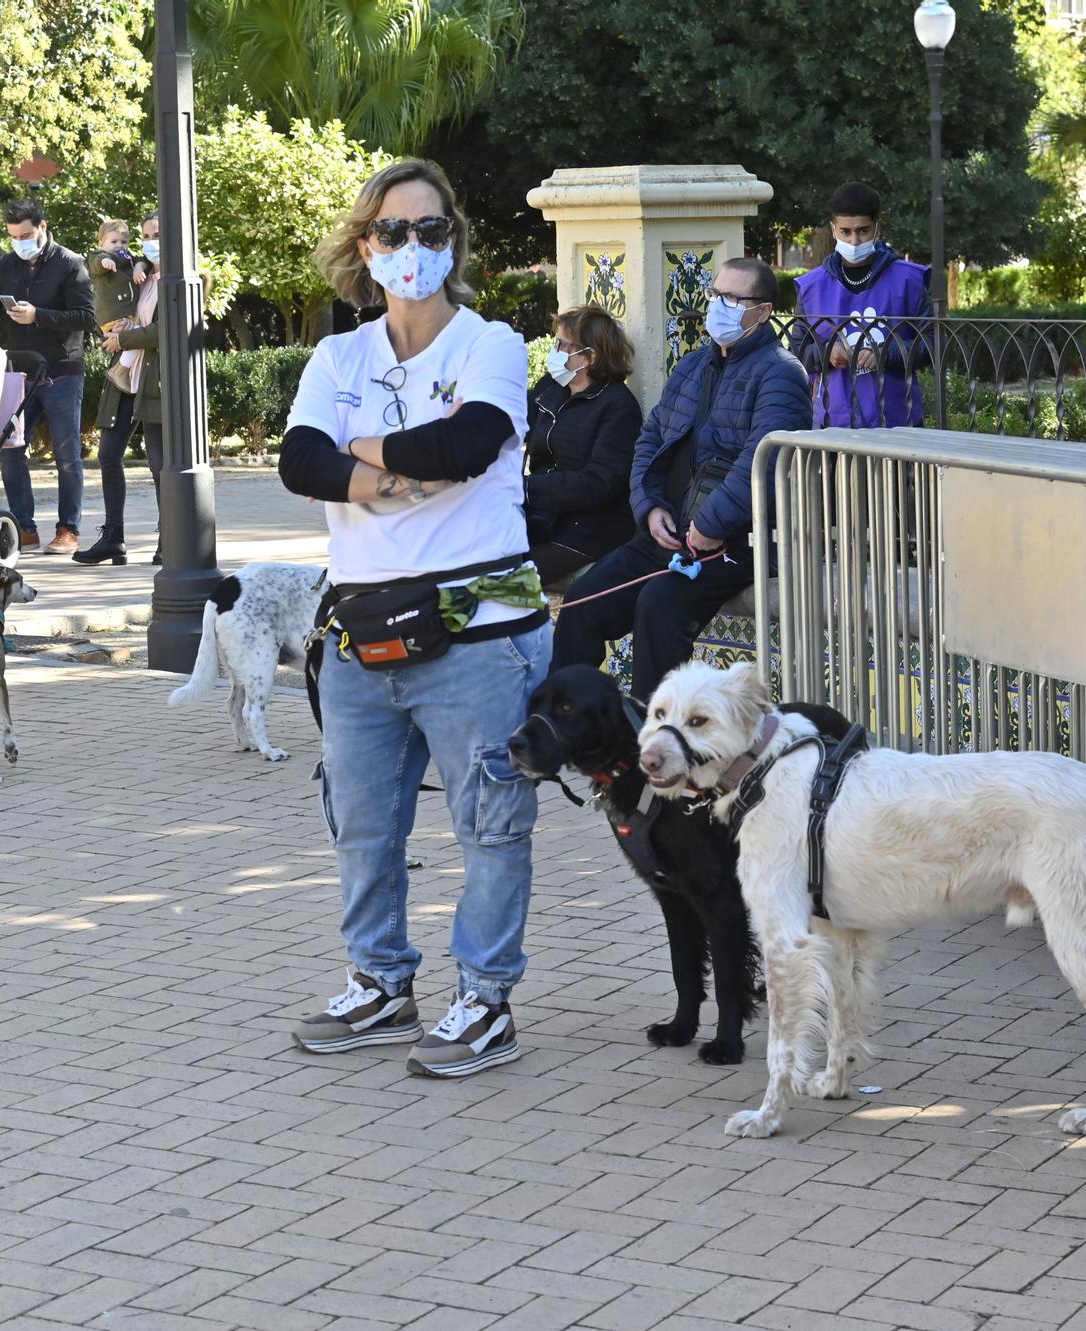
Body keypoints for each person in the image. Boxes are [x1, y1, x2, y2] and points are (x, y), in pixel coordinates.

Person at [277, 159, 548, 1079]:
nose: (412, 248)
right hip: (361, 629)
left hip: (478, 630)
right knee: (359, 820)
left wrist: (360, 455)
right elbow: (299, 463)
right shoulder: (337, 356)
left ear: (454, 241)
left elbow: (469, 444)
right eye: (392, 232)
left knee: (490, 824)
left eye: (431, 231)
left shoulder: (491, 344)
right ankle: (382, 983)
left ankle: (486, 1001)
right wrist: (406, 473)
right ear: (366, 245)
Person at [550, 258, 811, 700]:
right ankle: (564, 726)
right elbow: (649, 440)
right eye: (715, 296)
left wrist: (710, 526)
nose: (719, 307)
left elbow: (761, 463)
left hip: (733, 543)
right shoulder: (692, 366)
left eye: (733, 299)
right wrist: (648, 508)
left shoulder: (781, 373)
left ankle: (656, 745)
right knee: (583, 601)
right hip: (664, 532)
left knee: (660, 605)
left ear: (763, 312)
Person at [0, 199, 96, 554]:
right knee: (10, 447)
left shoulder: (70, 264)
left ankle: (69, 529)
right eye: (13, 236)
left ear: (43, 227)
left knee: (67, 455)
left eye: (26, 235)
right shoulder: (7, 265)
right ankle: (24, 527)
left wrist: (39, 315)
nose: (20, 242)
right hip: (20, 373)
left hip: (63, 371)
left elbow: (85, 317)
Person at [788, 181, 931, 429]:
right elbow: (797, 350)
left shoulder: (909, 280)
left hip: (898, 423)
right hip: (833, 424)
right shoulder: (811, 287)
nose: (854, 240)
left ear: (877, 228)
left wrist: (886, 353)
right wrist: (826, 352)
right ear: (834, 230)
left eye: (863, 230)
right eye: (846, 232)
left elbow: (933, 344)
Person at [525, 304, 641, 586]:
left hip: (588, 531)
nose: (556, 351)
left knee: (502, 579)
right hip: (540, 518)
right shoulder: (550, 388)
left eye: (563, 345)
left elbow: (599, 482)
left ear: (590, 356)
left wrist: (525, 488)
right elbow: (508, 426)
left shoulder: (617, 405)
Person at [77, 217, 163, 566]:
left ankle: (170, 539)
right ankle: (114, 538)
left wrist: (122, 338)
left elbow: (165, 329)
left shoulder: (186, 280)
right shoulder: (138, 276)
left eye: (157, 235)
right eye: (145, 236)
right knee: (109, 455)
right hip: (127, 376)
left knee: (160, 464)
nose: (149, 241)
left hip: (156, 380)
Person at [88, 218, 143, 335]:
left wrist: (139, 267)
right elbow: (96, 263)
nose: (119, 246)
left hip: (130, 314)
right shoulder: (98, 255)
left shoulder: (128, 257)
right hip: (111, 317)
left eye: (123, 242)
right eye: (114, 242)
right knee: (126, 338)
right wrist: (105, 262)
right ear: (101, 243)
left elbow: (142, 260)